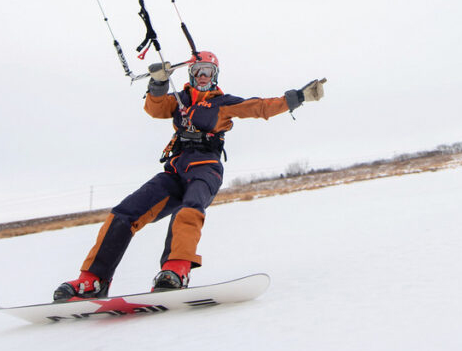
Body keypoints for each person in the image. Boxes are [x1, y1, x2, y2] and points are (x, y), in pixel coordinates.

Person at [53, 51, 325, 300]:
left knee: (188, 210)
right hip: (174, 170)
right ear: (191, 75)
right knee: (124, 213)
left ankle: (175, 271)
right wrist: (158, 83)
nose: (203, 76)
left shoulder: (223, 103)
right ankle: (93, 281)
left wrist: (300, 97)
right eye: (197, 71)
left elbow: (262, 106)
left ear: (215, 74)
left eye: (207, 70)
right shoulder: (178, 100)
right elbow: (155, 108)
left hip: (206, 168)